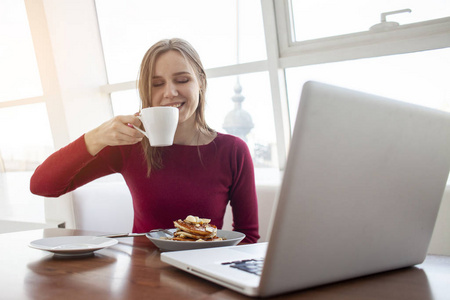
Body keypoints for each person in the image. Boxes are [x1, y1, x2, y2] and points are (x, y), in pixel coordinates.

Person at [30, 38, 260, 243]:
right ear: (146, 92)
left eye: (181, 79)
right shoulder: (129, 145)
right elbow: (43, 186)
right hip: (144, 278)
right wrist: (96, 137)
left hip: (205, 277)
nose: (170, 92)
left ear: (200, 82)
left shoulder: (233, 151)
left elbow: (248, 236)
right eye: (157, 84)